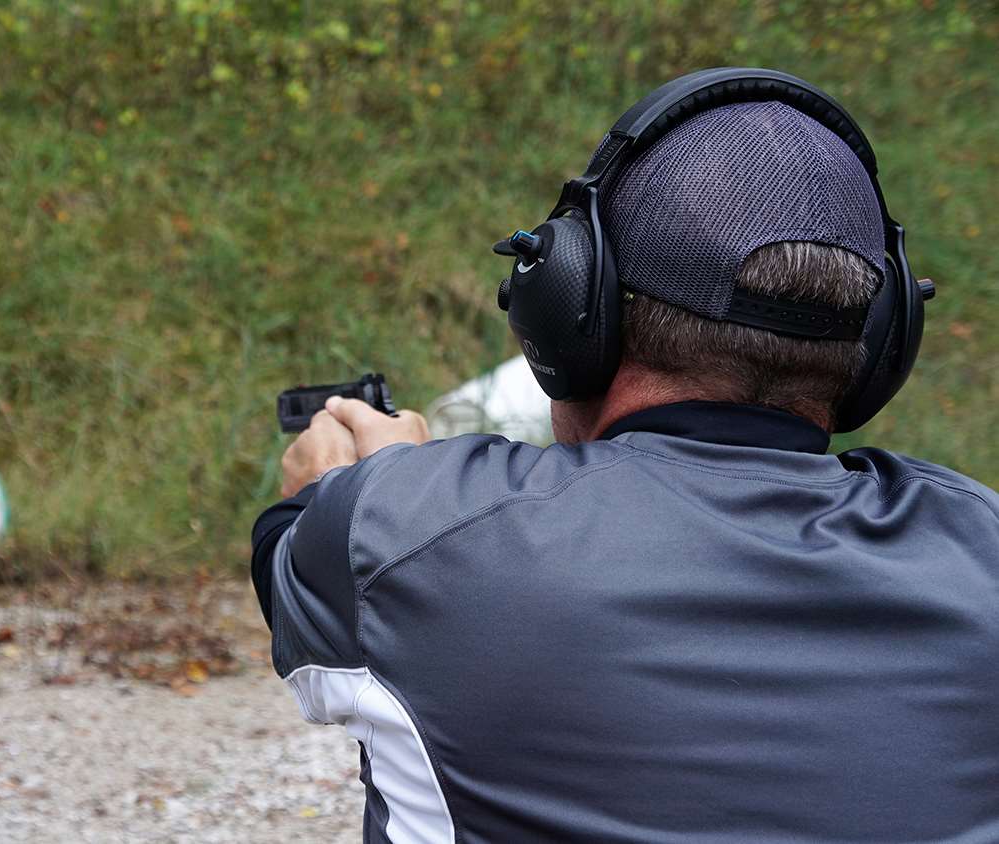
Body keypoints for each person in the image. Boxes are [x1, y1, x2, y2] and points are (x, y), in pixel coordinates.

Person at [250, 68, 999, 843]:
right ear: (885, 340)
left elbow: (290, 557)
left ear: (572, 304)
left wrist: (352, 483)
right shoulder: (982, 547)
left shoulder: (406, 530)